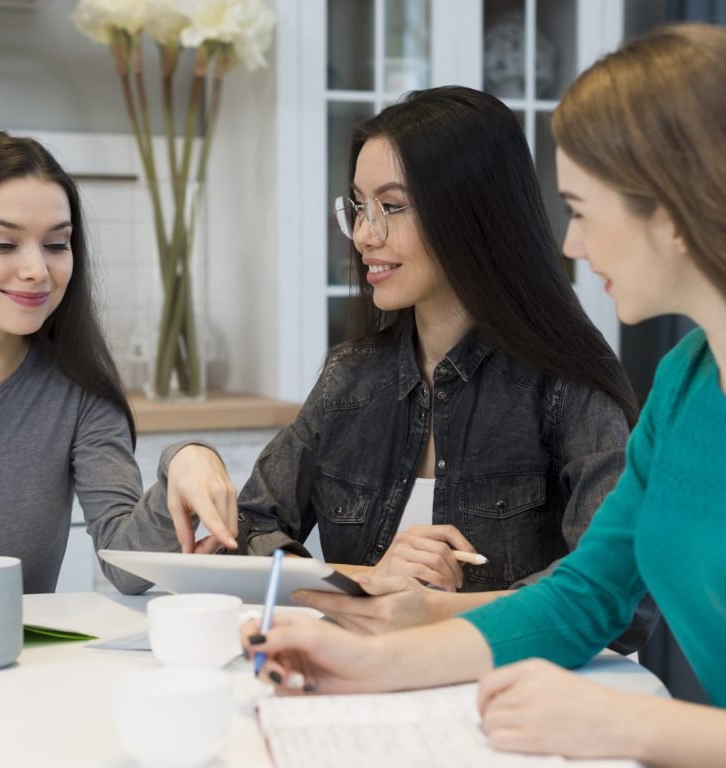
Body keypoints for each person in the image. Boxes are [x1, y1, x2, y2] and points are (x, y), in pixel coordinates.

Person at [241, 23, 726, 766]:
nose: (569, 244)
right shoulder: (685, 380)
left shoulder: (578, 385)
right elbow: (587, 594)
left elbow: (615, 618)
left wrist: (627, 726)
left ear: (670, 209)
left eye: (581, 209)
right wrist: (366, 662)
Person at [204, 84, 655, 652]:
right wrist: (365, 582)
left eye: (392, 207)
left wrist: (437, 612)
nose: (365, 236)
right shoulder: (349, 378)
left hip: (508, 693)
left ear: (473, 212)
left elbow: (625, 606)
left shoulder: (567, 385)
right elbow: (243, 531)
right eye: (359, 207)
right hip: (358, 684)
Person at [0, 131, 238, 594]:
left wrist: (185, 459)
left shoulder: (79, 394)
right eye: (3, 243)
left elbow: (128, 566)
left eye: (56, 244)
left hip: (11, 644)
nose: (37, 270)